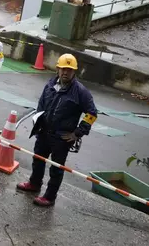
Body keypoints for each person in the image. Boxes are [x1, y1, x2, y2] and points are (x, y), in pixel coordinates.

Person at [16, 53, 98, 207]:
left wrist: (77, 133)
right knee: (38, 159)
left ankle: (49, 196)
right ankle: (34, 184)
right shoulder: (50, 84)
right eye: (63, 69)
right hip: (44, 131)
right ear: (58, 69)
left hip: (62, 137)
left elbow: (92, 113)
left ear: (74, 72)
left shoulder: (80, 92)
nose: (66, 72)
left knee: (57, 168)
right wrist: (38, 121)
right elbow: (41, 102)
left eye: (69, 70)